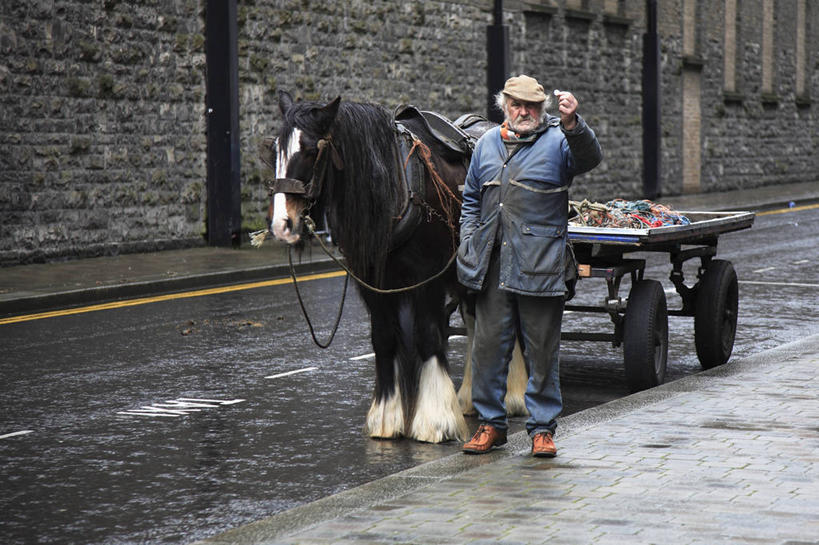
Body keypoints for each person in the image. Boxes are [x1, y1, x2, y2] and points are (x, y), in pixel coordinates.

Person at [457, 74, 602, 457]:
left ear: (543, 110)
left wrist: (574, 123)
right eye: (517, 105)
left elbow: (590, 158)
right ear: (504, 106)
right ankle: (491, 425)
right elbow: (471, 200)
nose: (524, 112)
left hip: (541, 265)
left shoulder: (559, 141)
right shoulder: (487, 144)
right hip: (492, 264)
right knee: (487, 349)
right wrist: (468, 240)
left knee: (541, 352)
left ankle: (542, 430)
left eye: (532, 106)